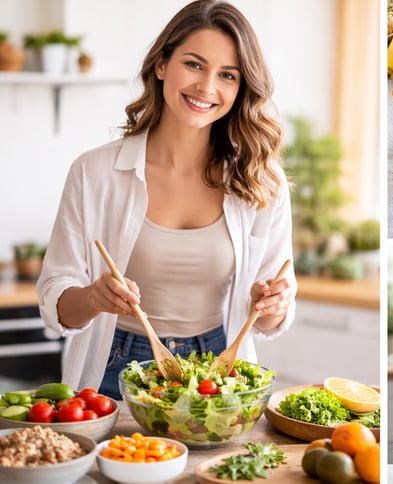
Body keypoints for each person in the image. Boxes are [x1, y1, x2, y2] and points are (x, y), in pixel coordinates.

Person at [36, 0, 296, 400]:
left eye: (227, 75)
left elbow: (270, 315)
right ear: (161, 65)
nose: (207, 87)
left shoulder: (261, 180)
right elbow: (55, 301)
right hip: (114, 370)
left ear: (241, 87)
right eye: (194, 64)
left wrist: (274, 303)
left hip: (219, 372)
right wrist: (93, 298)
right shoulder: (94, 172)